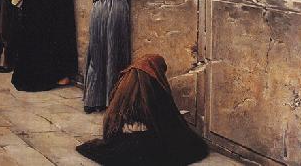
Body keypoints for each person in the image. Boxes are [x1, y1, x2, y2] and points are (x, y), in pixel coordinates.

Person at [76, 53, 209, 165]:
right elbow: (162, 119)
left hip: (120, 138)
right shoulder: (152, 85)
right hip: (143, 141)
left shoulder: (125, 79)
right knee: (187, 146)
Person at [83, 0, 136, 114]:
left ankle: (93, 100)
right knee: (117, 50)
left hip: (99, 6)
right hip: (119, 5)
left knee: (96, 50)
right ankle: (113, 99)